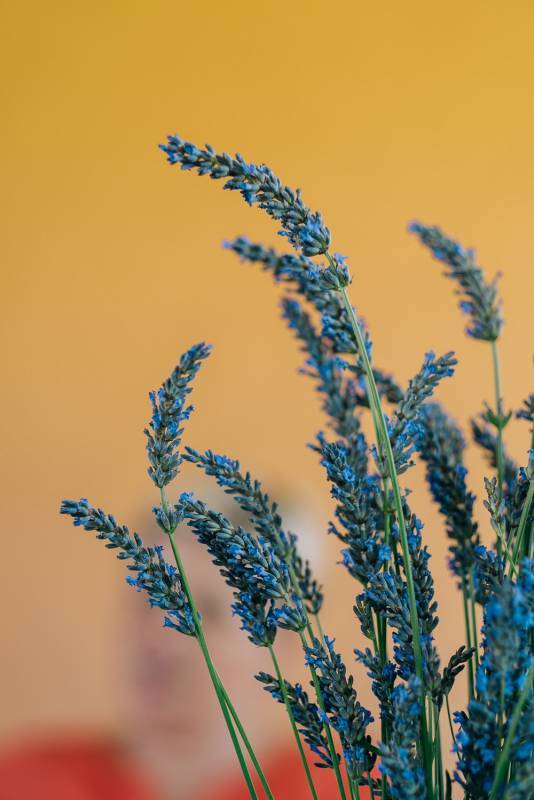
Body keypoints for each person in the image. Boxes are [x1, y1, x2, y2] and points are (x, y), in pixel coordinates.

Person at [0, 493, 367, 798]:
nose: (160, 641)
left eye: (203, 611)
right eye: (147, 603)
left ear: (283, 637)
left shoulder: (355, 787)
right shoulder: (23, 781)